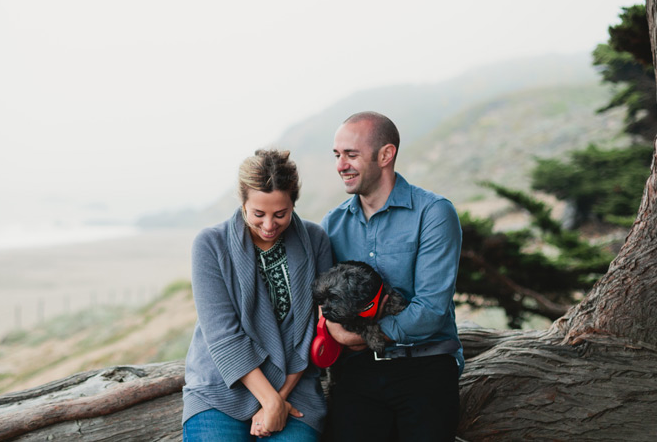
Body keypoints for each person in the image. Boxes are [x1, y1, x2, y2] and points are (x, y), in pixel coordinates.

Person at [320, 111, 463, 442]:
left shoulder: (434, 213)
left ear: (386, 155)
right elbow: (325, 302)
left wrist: (361, 335)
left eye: (351, 155)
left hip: (425, 366)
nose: (341, 164)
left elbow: (430, 309)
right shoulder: (332, 224)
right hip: (356, 373)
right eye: (337, 155)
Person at [182, 149, 333, 441]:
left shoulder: (316, 241)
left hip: (295, 386)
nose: (268, 225)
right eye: (258, 214)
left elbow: (317, 328)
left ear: (293, 203)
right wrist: (272, 402)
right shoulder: (210, 245)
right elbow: (223, 335)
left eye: (281, 214)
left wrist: (279, 399)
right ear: (242, 203)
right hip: (221, 386)